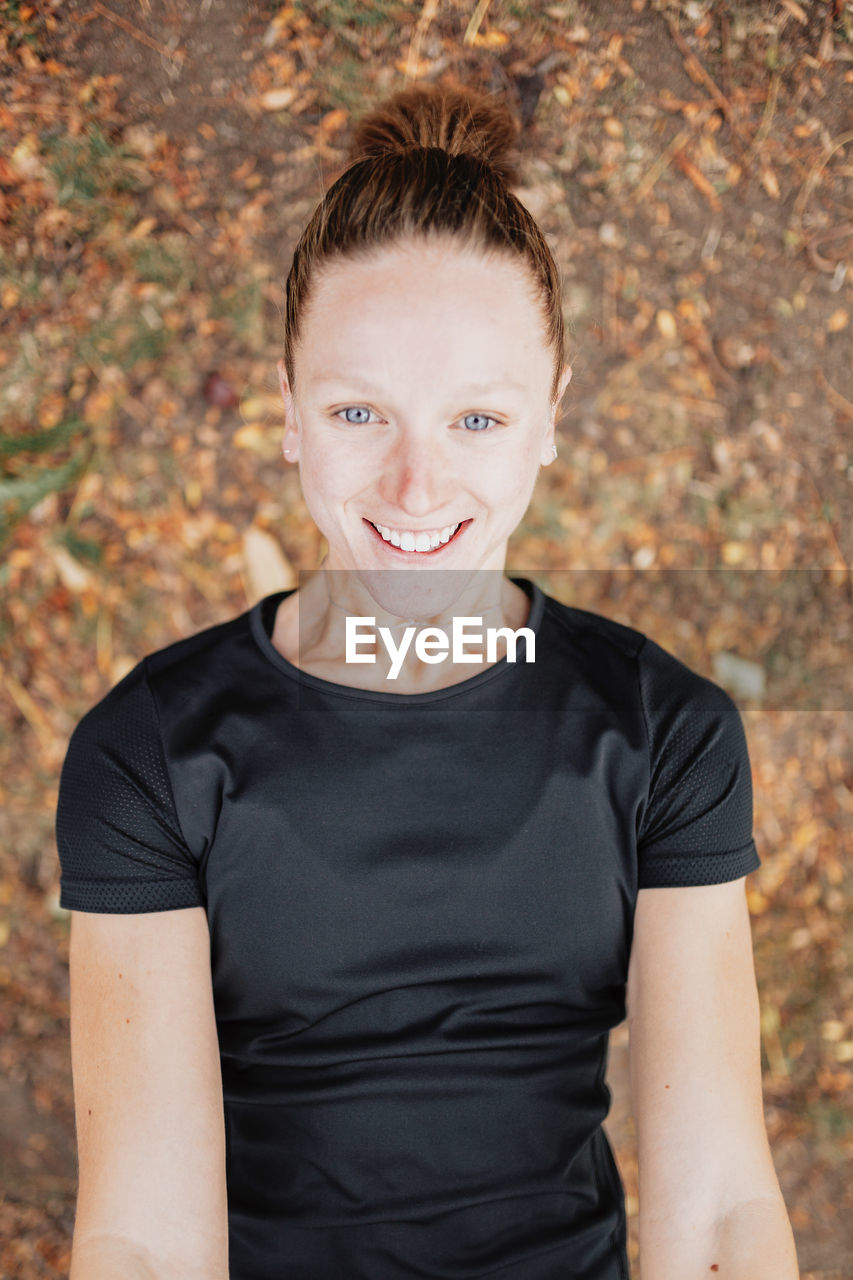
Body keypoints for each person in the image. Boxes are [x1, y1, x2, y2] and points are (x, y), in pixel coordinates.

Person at [55, 82, 799, 1280]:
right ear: (289, 411)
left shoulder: (665, 736)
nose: (415, 487)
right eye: (360, 410)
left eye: (475, 420)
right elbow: (143, 1237)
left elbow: (716, 1211)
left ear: (550, 419)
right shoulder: (149, 753)